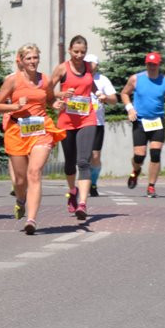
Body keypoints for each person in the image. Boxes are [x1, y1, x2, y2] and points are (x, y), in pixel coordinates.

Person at [0, 44, 66, 234]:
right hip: (17, 130)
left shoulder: (45, 79)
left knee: (34, 172)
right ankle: (20, 200)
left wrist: (55, 103)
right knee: (20, 180)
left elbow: (49, 99)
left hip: (41, 128)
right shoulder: (12, 80)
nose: (33, 61)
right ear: (21, 60)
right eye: (29, 58)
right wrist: (15, 106)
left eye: (35, 58)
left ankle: (31, 220)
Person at [51, 35, 98, 220]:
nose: (79, 55)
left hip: (87, 118)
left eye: (82, 52)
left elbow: (90, 84)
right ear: (69, 50)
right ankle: (72, 191)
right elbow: (47, 91)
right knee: (70, 162)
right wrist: (61, 94)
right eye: (76, 52)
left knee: (83, 161)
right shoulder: (62, 68)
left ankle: (83, 204)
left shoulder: (90, 67)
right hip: (67, 121)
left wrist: (99, 94)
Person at [121, 51, 165, 197]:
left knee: (155, 154)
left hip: (157, 122)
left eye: (154, 64)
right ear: (146, 64)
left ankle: (151, 186)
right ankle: (136, 170)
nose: (152, 67)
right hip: (140, 121)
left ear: (159, 65)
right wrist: (130, 109)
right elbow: (124, 93)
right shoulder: (136, 79)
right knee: (139, 157)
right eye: (149, 64)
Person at [86, 53, 117, 197]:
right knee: (83, 156)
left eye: (92, 63)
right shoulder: (79, 78)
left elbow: (114, 100)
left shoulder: (102, 79)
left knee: (95, 156)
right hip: (81, 122)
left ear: (97, 65)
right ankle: (83, 183)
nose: (89, 65)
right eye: (87, 62)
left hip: (97, 123)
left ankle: (93, 183)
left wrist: (105, 98)